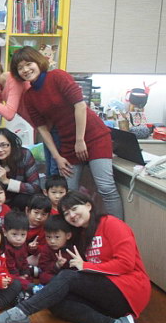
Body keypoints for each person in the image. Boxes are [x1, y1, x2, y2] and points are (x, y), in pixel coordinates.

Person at [0, 191, 150, 323]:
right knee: (56, 302)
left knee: (68, 276)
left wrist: (85, 266)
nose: (71, 215)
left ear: (88, 205)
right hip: (105, 294)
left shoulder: (111, 224)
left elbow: (126, 263)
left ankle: (20, 312)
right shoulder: (81, 234)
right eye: (66, 213)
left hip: (129, 290)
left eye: (74, 208)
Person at [10, 46, 123, 219]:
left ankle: (117, 228)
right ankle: (75, 229)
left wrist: (80, 140)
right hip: (68, 142)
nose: (25, 70)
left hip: (93, 136)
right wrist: (57, 157)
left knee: (106, 188)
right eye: (20, 68)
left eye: (28, 64)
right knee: (69, 191)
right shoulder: (30, 96)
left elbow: (80, 106)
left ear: (38, 62)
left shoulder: (57, 76)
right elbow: (42, 128)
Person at [0, 128, 41, 210]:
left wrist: (7, 181)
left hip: (23, 198)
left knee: (22, 199)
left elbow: (35, 187)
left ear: (12, 144)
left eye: (4, 145)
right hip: (0, 199)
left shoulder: (24, 155)